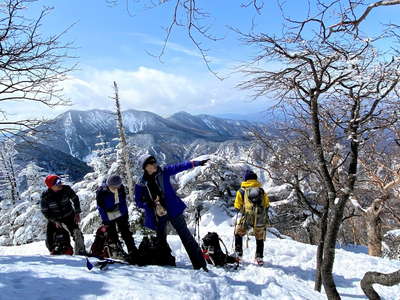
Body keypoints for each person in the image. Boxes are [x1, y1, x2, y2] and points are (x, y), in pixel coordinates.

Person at [135, 155, 209, 271]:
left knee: (186, 237)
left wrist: (197, 163)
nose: (155, 164)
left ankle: (200, 265)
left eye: (155, 162)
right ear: (145, 167)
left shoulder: (163, 172)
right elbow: (138, 201)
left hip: (173, 209)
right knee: (161, 240)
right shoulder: (141, 183)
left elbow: (179, 167)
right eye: (151, 163)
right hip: (158, 214)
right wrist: (148, 204)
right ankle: (164, 262)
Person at [41, 175, 86, 255]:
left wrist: (77, 212)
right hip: (55, 218)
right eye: (57, 183)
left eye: (60, 181)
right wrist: (54, 221)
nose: (60, 184)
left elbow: (75, 199)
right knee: (50, 238)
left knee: (77, 232)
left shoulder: (66, 189)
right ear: (51, 186)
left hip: (69, 215)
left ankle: (81, 250)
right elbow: (45, 211)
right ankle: (56, 251)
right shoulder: (46, 196)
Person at [96, 175, 138, 257]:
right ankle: (116, 250)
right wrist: (105, 221)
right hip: (108, 215)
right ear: (109, 185)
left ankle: (132, 250)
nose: (116, 189)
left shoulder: (121, 189)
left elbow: (123, 203)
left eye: (117, 187)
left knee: (126, 231)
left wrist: (125, 215)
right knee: (112, 233)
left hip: (119, 212)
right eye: (113, 187)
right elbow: (101, 208)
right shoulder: (101, 192)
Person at [234, 170, 270, 265]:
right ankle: (259, 257)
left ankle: (238, 254)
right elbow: (266, 204)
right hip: (259, 217)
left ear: (246, 179)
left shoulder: (241, 191)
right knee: (259, 237)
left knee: (238, 233)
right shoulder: (261, 191)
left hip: (247, 217)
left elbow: (237, 206)